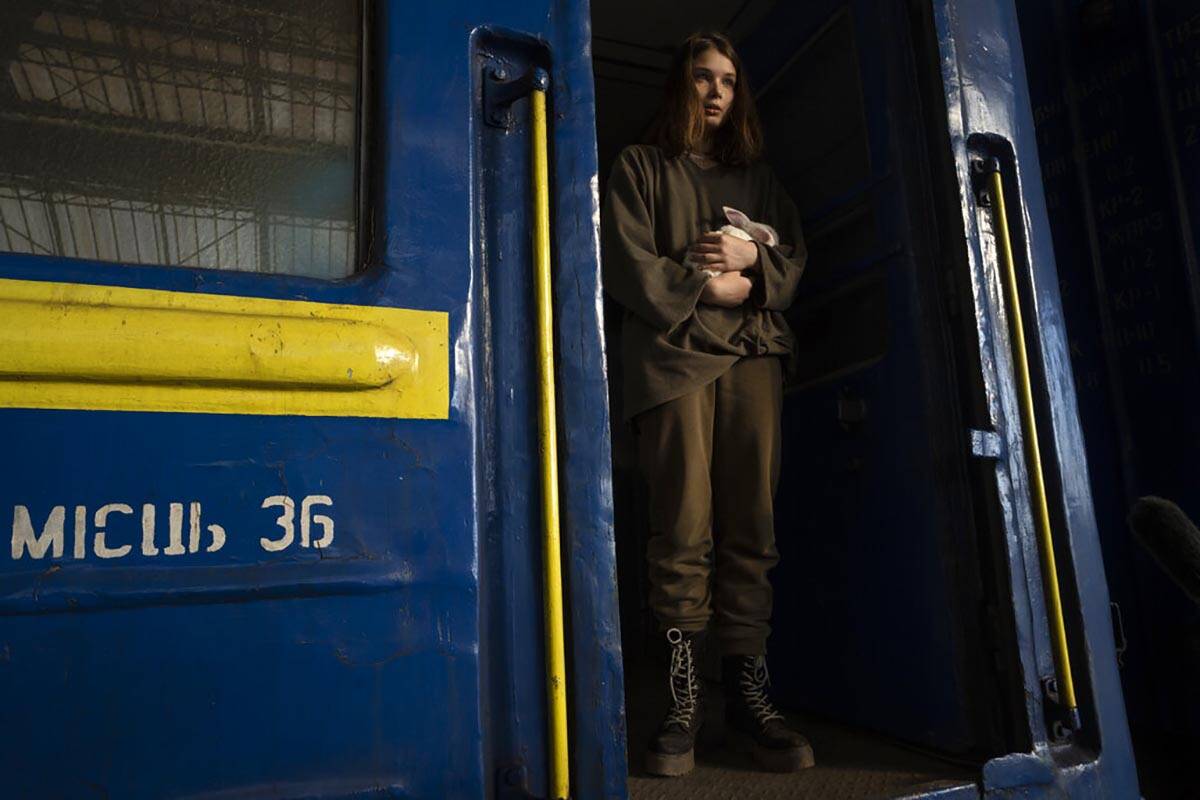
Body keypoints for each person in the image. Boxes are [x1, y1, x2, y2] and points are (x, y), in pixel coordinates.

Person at [601, 31, 812, 777]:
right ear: (679, 87)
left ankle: (750, 704)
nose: (717, 91)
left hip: (754, 358)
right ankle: (683, 702)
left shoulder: (759, 181)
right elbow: (626, 265)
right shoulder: (638, 167)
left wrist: (755, 268)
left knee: (752, 529)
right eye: (702, 78)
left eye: (727, 80)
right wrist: (707, 287)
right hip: (674, 363)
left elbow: (796, 261)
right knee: (681, 528)